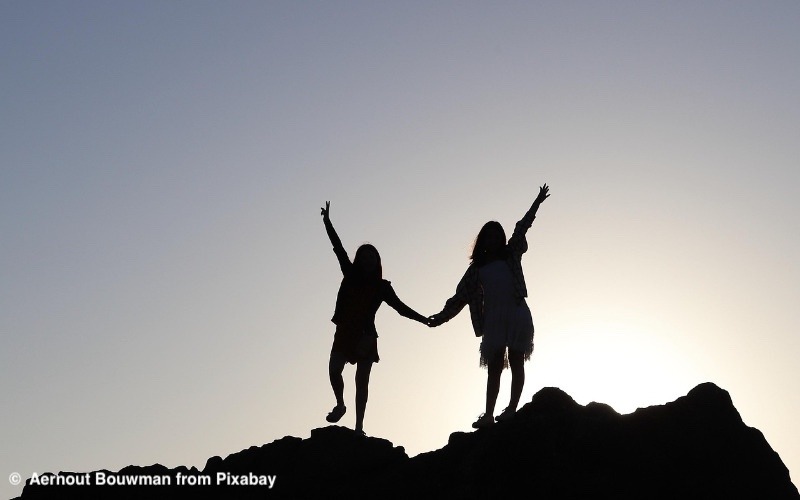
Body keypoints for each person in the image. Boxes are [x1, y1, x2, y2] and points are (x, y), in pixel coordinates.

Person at [429, 184, 550, 428]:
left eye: (497, 235)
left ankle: (512, 409)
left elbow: (522, 226)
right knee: (494, 367)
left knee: (516, 360)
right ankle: (488, 415)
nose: (493, 239)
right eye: (489, 235)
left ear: (502, 238)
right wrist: (440, 318)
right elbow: (459, 297)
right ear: (482, 240)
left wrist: (537, 202)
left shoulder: (511, 254)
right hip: (493, 318)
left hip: (516, 311)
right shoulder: (477, 269)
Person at [321, 201, 428, 435]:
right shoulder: (349, 274)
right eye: (364, 256)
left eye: (373, 257)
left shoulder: (382, 287)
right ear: (359, 260)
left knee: (362, 382)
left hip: (366, 336)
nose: (368, 260)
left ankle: (359, 427)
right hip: (345, 332)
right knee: (333, 370)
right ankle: (340, 404)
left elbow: (401, 308)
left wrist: (423, 319)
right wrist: (327, 222)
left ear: (377, 262)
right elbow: (338, 248)